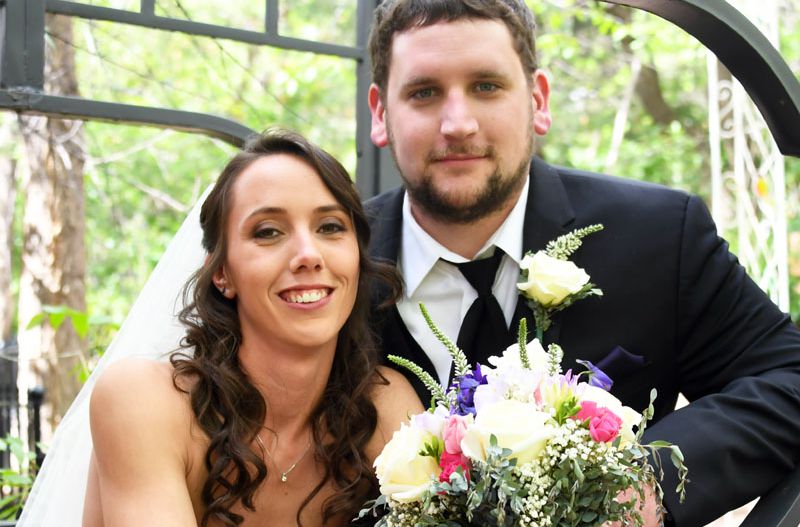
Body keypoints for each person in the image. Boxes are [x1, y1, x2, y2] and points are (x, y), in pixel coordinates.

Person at [362, 1, 800, 526]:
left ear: (538, 101)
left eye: (486, 86)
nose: (458, 124)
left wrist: (642, 483)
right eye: (424, 93)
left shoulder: (660, 235)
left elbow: (789, 377)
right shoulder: (330, 268)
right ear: (381, 112)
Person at [20, 129, 423, 527]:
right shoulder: (145, 401)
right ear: (222, 273)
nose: (308, 254)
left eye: (330, 227)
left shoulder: (383, 404)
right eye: (268, 232)